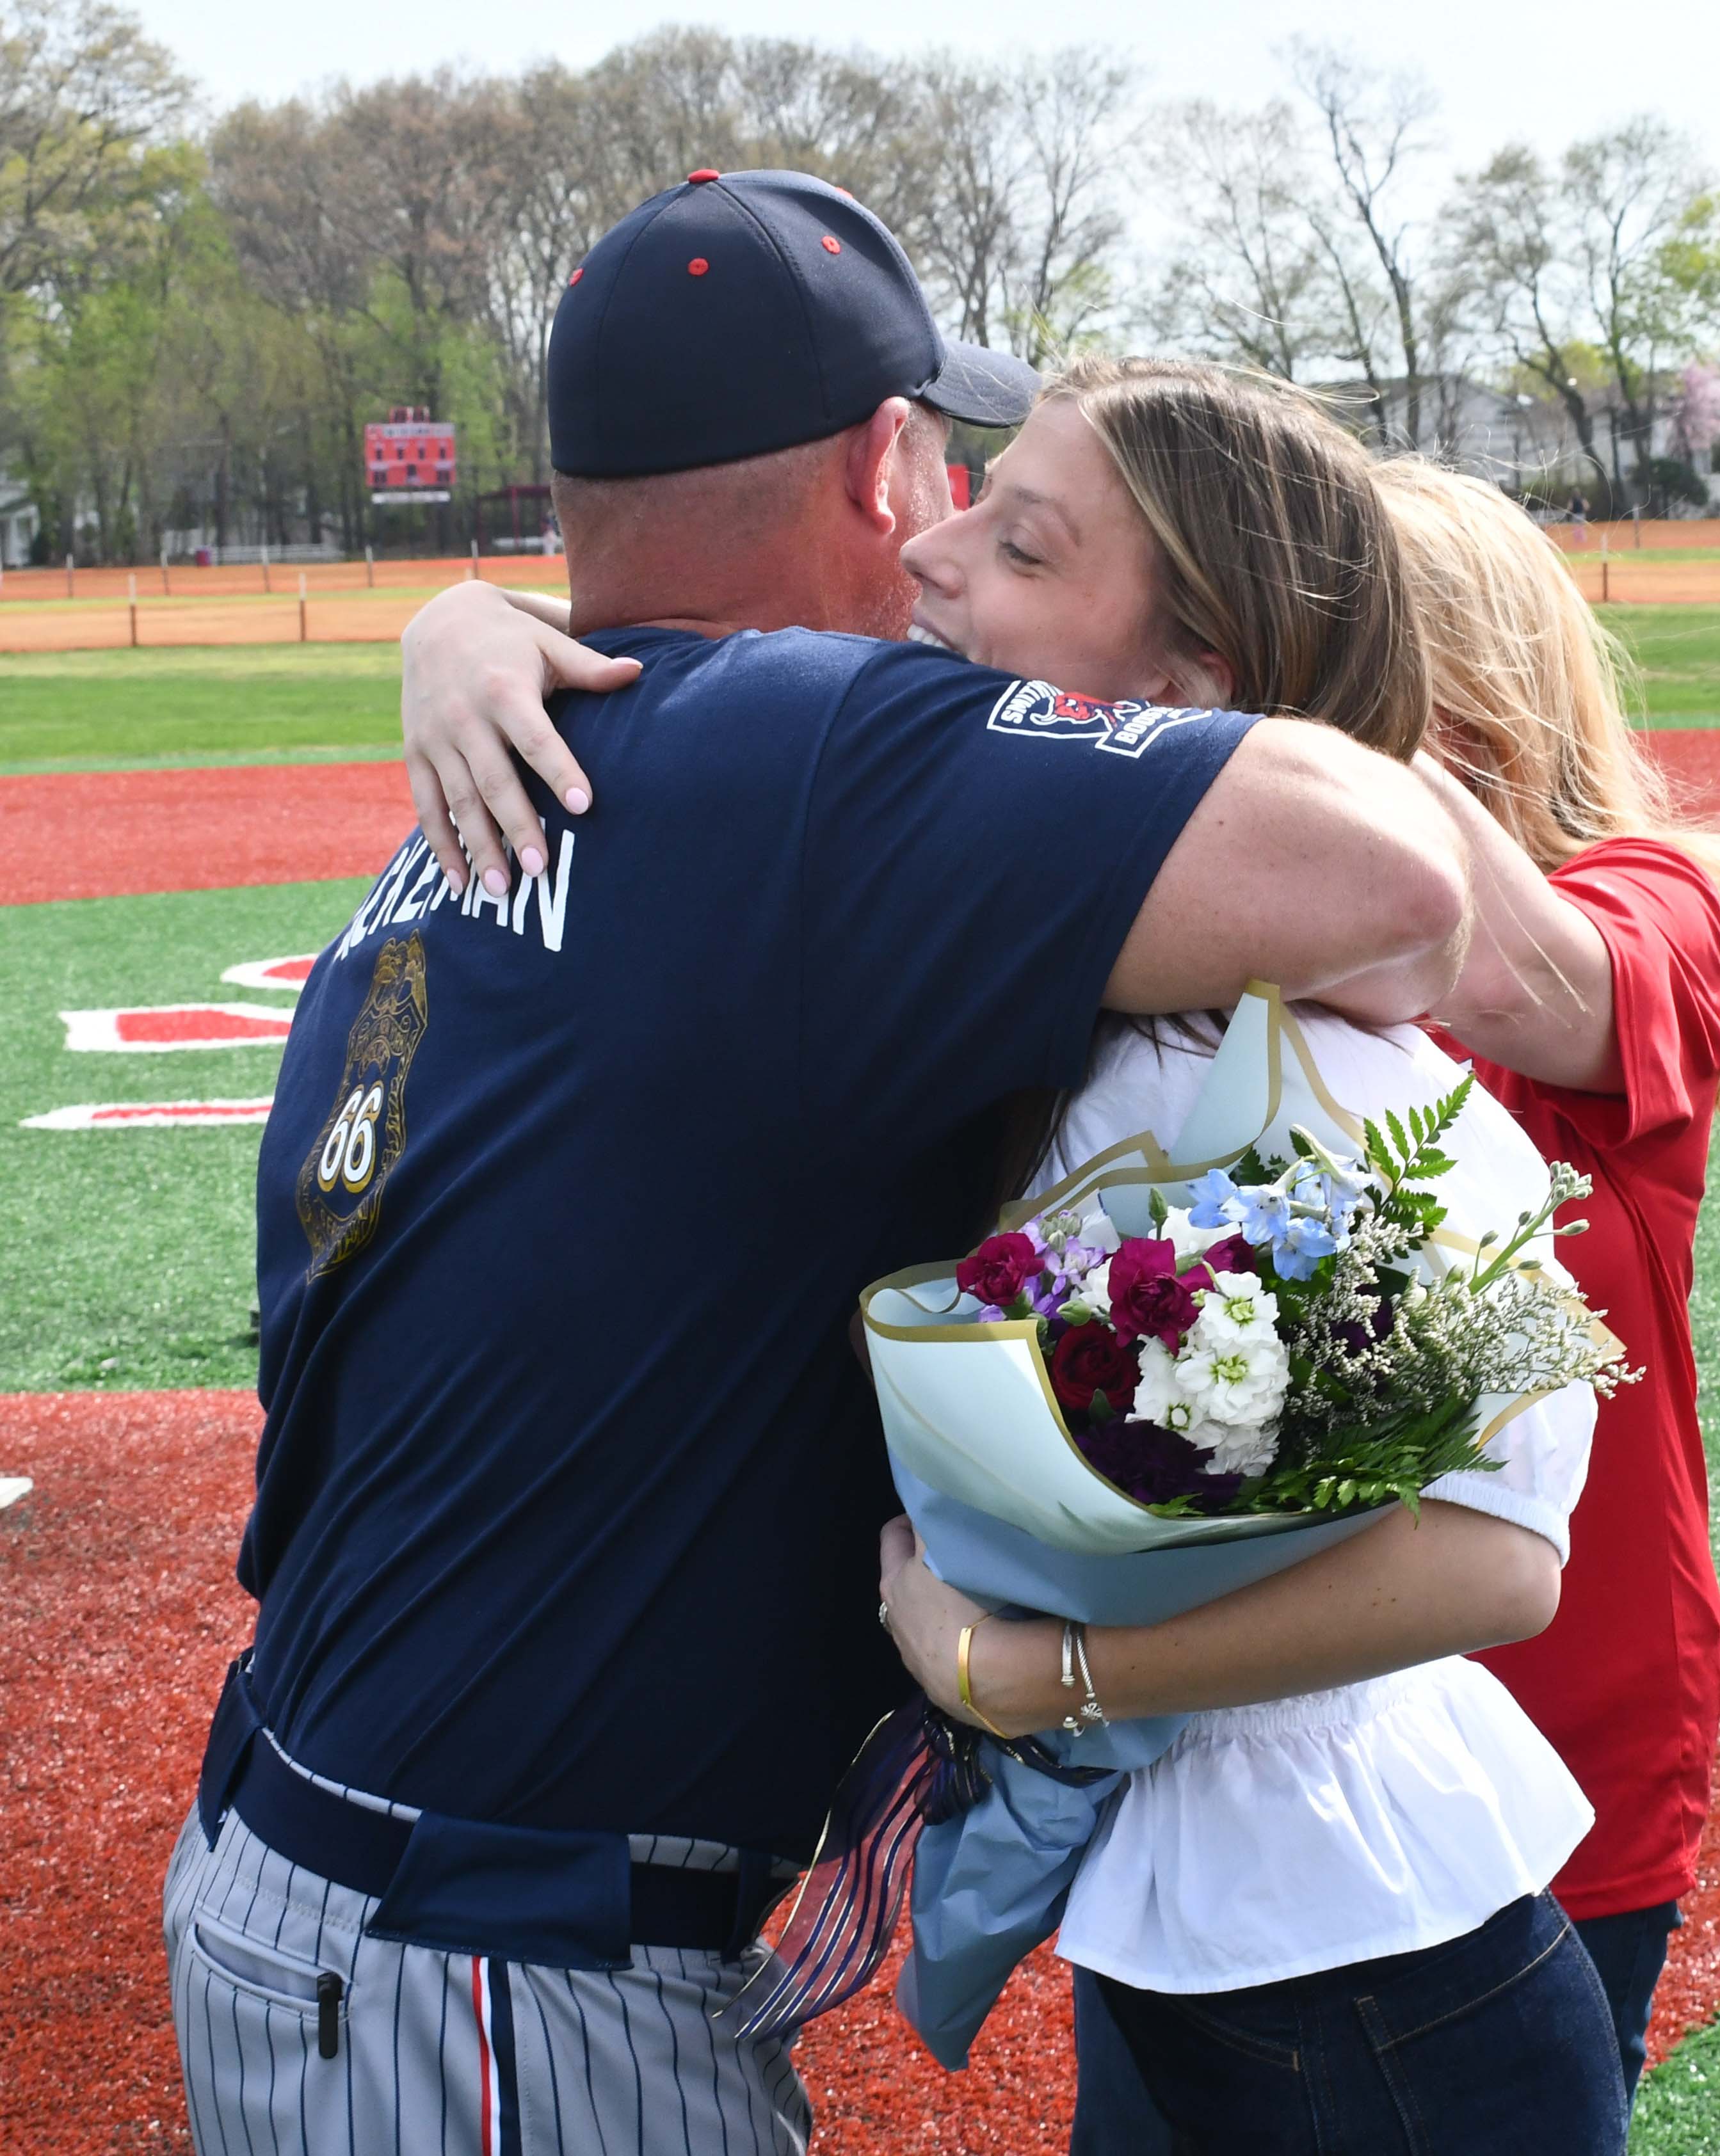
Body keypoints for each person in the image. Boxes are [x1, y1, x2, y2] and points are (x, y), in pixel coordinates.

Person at [166, 172, 1475, 2155]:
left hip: (329, 1872)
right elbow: (1392, 884)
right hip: (498, 1982)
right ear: (885, 463)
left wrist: (462, 613)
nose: (951, 536)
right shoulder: (796, 748)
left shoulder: (516, 779)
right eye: (957, 478)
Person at [400, 359, 1630, 2154]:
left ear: (1191, 687)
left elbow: (1503, 1558)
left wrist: (1035, 1677)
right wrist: (461, 621)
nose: (931, 555)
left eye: (1023, 550)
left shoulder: (1339, 1086)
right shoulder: (1069, 1016)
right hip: (1206, 1965)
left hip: (1377, 1986)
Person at [1375, 459, 1720, 2100]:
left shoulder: (1649, 898)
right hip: (1262, 1738)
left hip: (1570, 1727)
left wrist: (1314, 750)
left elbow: (1527, 979)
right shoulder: (1233, 918)